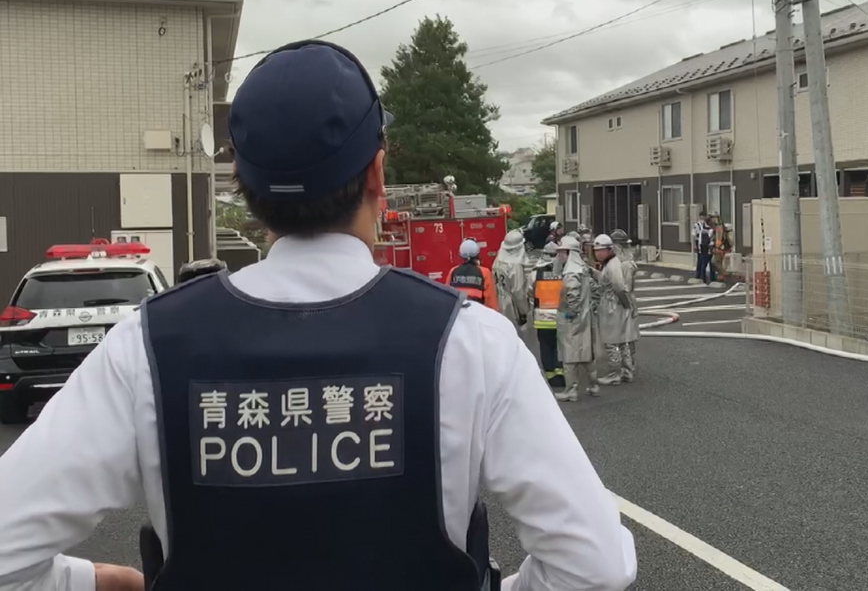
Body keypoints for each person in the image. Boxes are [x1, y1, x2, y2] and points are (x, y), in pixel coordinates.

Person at [0, 39, 636, 591]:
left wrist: (94, 579)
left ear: (243, 188)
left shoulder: (148, 345)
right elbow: (596, 566)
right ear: (377, 173)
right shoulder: (470, 341)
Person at [554, 236, 599, 403]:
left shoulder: (571, 271)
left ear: (569, 252)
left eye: (561, 252)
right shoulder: (582, 267)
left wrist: (570, 312)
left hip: (572, 319)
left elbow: (572, 294)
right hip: (585, 317)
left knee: (570, 355)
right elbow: (594, 288)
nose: (559, 255)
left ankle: (571, 390)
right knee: (586, 352)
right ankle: (594, 386)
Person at [592, 235, 635, 388]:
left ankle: (614, 374)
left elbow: (618, 286)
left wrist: (626, 304)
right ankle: (627, 371)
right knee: (623, 341)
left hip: (611, 306)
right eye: (596, 250)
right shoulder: (609, 263)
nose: (598, 253)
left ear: (609, 249)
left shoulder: (612, 265)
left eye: (601, 250)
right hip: (615, 305)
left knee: (611, 342)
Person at [529, 241, 565, 388]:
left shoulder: (536, 272)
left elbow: (530, 291)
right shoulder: (563, 271)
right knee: (560, 345)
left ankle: (550, 375)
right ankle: (561, 374)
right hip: (560, 315)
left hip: (542, 317)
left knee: (545, 345)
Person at [610, 230, 640, 382]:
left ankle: (628, 367)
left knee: (627, 335)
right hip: (621, 300)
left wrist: (627, 304)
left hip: (625, 300)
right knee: (623, 334)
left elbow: (626, 286)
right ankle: (626, 366)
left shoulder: (626, 263)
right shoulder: (620, 260)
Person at [492, 230, 529, 329]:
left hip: (498, 300)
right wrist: (524, 311)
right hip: (511, 307)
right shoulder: (515, 265)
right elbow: (518, 292)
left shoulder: (498, 260)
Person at [449, 238, 500, 311]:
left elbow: (448, 295)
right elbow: (490, 301)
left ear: (460, 255)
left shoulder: (453, 271)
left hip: (458, 313)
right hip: (478, 313)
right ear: (477, 254)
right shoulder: (484, 272)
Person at [694, 217, 716, 285]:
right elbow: (711, 239)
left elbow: (699, 240)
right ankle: (712, 277)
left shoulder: (702, 230)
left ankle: (703, 277)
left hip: (702, 247)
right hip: (709, 248)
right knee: (711, 263)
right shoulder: (711, 230)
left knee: (704, 263)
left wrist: (699, 248)